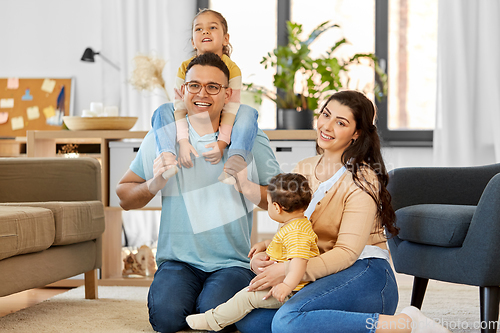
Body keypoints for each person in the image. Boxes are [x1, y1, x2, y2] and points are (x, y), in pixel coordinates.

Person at [230, 90, 451, 333]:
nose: (327, 126)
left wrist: (288, 270)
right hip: (323, 274)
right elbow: (297, 232)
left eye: (341, 122)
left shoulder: (362, 178)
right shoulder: (304, 168)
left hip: (365, 274)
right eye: (326, 115)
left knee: (286, 322)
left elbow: (346, 253)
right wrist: (272, 250)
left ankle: (406, 323)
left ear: (356, 133)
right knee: (250, 320)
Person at [116, 52, 281, 333]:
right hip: (178, 262)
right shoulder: (164, 136)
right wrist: (154, 183)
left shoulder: (250, 139)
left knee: (213, 314)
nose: (202, 93)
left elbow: (281, 201)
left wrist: (247, 186)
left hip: (233, 263)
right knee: (166, 319)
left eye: (212, 87)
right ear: (183, 91)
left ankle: (205, 300)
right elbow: (124, 196)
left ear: (228, 94)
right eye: (194, 85)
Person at [186, 173, 319, 331]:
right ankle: (217, 317)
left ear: (277, 207)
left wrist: (286, 286)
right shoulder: (296, 224)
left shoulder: (296, 232)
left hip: (294, 291)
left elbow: (299, 262)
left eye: (268, 203)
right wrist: (266, 244)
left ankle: (213, 321)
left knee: (246, 297)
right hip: (289, 286)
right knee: (245, 295)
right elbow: (286, 247)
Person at [152, 8, 256, 184]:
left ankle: (235, 162)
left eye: (212, 28)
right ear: (193, 41)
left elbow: (231, 108)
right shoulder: (184, 68)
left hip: (221, 115)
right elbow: (179, 106)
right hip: (192, 116)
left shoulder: (232, 69)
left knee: (248, 112)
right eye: (199, 29)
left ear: (226, 39)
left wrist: (222, 143)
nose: (205, 31)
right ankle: (167, 157)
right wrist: (183, 141)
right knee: (163, 110)